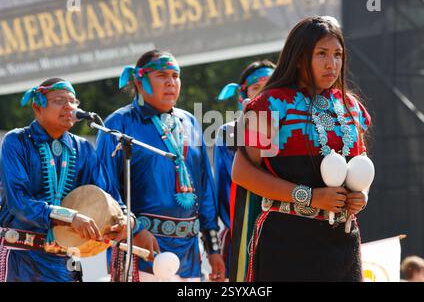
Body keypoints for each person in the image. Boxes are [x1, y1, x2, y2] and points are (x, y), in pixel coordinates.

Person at [231, 16, 372, 281]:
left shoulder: (351, 107)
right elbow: (241, 172)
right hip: (287, 242)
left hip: (342, 242)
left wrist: (361, 195)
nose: (332, 64)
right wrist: (309, 196)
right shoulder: (269, 105)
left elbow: (361, 162)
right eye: (321, 54)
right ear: (298, 57)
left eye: (338, 54)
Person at [96, 50, 225, 282]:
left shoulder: (190, 122)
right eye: (162, 75)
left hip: (189, 256)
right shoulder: (119, 123)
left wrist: (213, 247)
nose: (171, 82)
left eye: (176, 75)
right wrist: (133, 229)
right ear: (139, 80)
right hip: (140, 249)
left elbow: (205, 189)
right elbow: (106, 189)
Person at [0, 78, 132, 282]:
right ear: (37, 107)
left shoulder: (83, 149)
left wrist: (125, 220)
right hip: (22, 259)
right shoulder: (16, 141)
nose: (69, 106)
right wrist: (68, 216)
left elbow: (111, 197)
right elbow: (19, 201)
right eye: (60, 100)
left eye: (73, 101)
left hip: (65, 262)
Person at [213, 60, 275, 278]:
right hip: (245, 233)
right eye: (257, 88)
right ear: (242, 96)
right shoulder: (229, 134)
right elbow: (223, 192)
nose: (264, 93)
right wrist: (244, 228)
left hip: (289, 228)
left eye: (271, 86)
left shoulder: (292, 127)